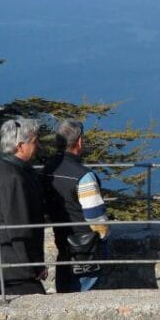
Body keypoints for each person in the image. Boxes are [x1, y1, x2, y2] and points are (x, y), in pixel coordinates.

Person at [0, 118, 47, 296]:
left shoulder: (1, 167)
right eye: (34, 141)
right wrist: (34, 266)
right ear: (20, 146)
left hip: (6, 261)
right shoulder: (13, 178)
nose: (38, 145)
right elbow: (19, 228)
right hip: (13, 264)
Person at [41, 120, 109, 293]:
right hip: (85, 246)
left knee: (64, 290)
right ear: (79, 141)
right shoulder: (84, 176)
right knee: (85, 293)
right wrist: (103, 235)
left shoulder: (47, 169)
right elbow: (95, 215)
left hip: (62, 241)